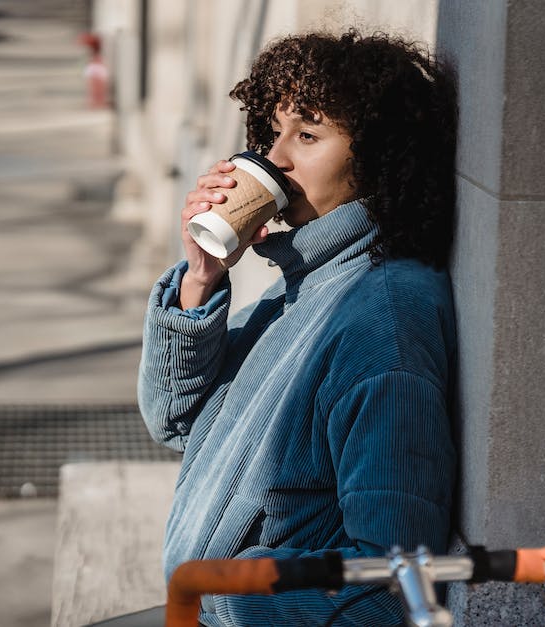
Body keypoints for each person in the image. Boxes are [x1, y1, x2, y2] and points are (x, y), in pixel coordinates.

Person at [138, 29, 458, 626]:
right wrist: (202, 276)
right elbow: (174, 419)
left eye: (307, 135)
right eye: (273, 133)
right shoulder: (310, 282)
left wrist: (218, 600)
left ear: (380, 157)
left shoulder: (383, 321)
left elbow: (395, 583)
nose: (275, 159)